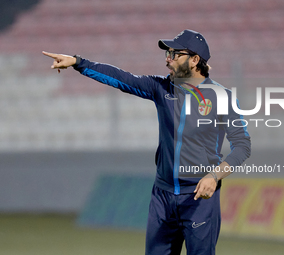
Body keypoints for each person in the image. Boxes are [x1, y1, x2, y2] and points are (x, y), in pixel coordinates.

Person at [43, 29, 251, 255]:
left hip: (199, 198)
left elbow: (242, 146)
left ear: (194, 60)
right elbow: (122, 79)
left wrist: (214, 176)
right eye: (167, 53)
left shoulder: (223, 98)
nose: (168, 59)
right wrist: (78, 62)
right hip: (162, 196)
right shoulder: (161, 88)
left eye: (174, 54)